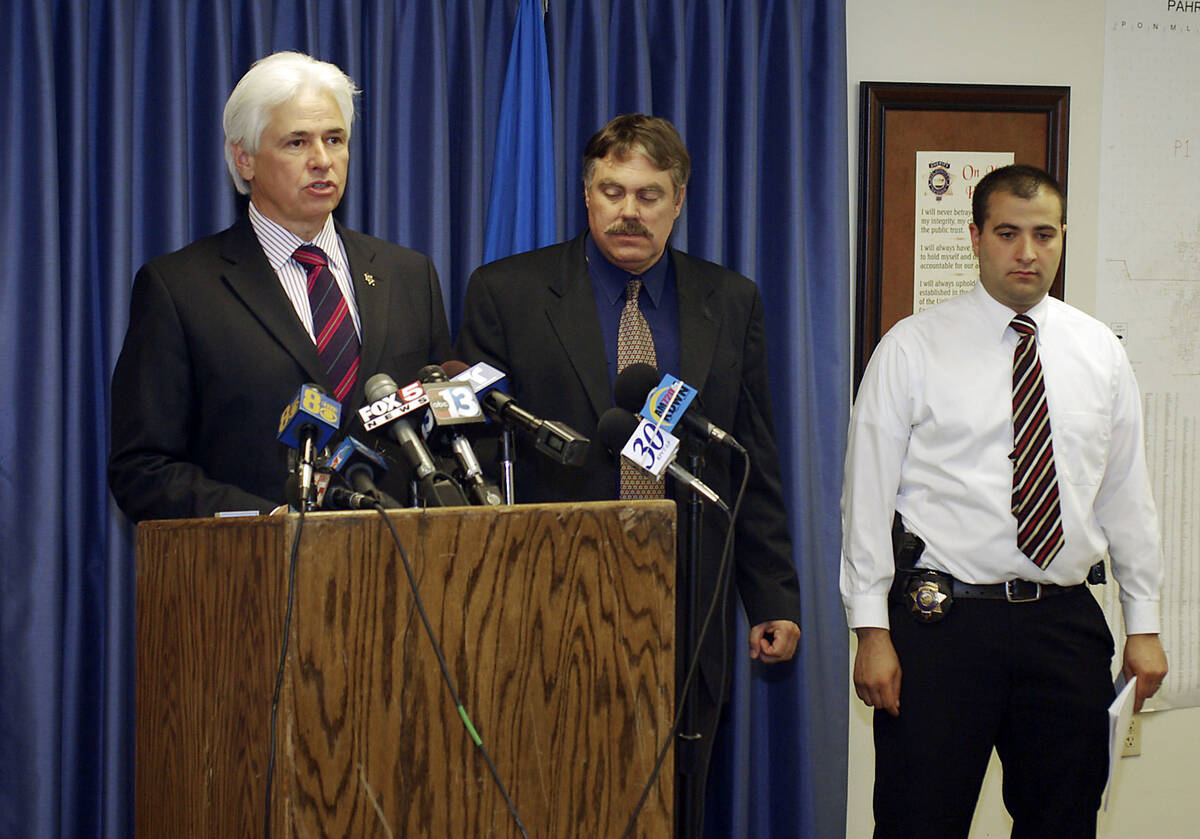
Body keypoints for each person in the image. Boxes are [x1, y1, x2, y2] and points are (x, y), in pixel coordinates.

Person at [455, 113, 802, 837]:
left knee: (677, 806)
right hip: (548, 603)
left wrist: (772, 594)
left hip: (689, 600)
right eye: (612, 191)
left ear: (679, 202)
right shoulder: (506, 293)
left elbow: (751, 459)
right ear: (586, 196)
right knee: (554, 804)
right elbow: (476, 461)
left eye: (649, 195)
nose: (629, 210)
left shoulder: (729, 301)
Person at [841, 164, 1168, 838]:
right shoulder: (911, 347)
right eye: (1009, 233)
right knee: (918, 821)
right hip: (943, 629)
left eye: (1044, 233)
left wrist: (1145, 623)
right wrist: (871, 631)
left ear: (1062, 237)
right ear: (976, 237)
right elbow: (865, 501)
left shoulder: (1100, 353)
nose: (1027, 251)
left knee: (1063, 821)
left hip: (1064, 625)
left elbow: (1128, 497)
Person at [109, 52, 451, 522]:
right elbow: (144, 469)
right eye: (296, 143)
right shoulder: (180, 288)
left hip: (398, 572)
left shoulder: (409, 276)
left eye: (335, 139)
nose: (322, 160)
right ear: (244, 158)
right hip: (255, 578)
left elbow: (444, 438)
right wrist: (270, 523)